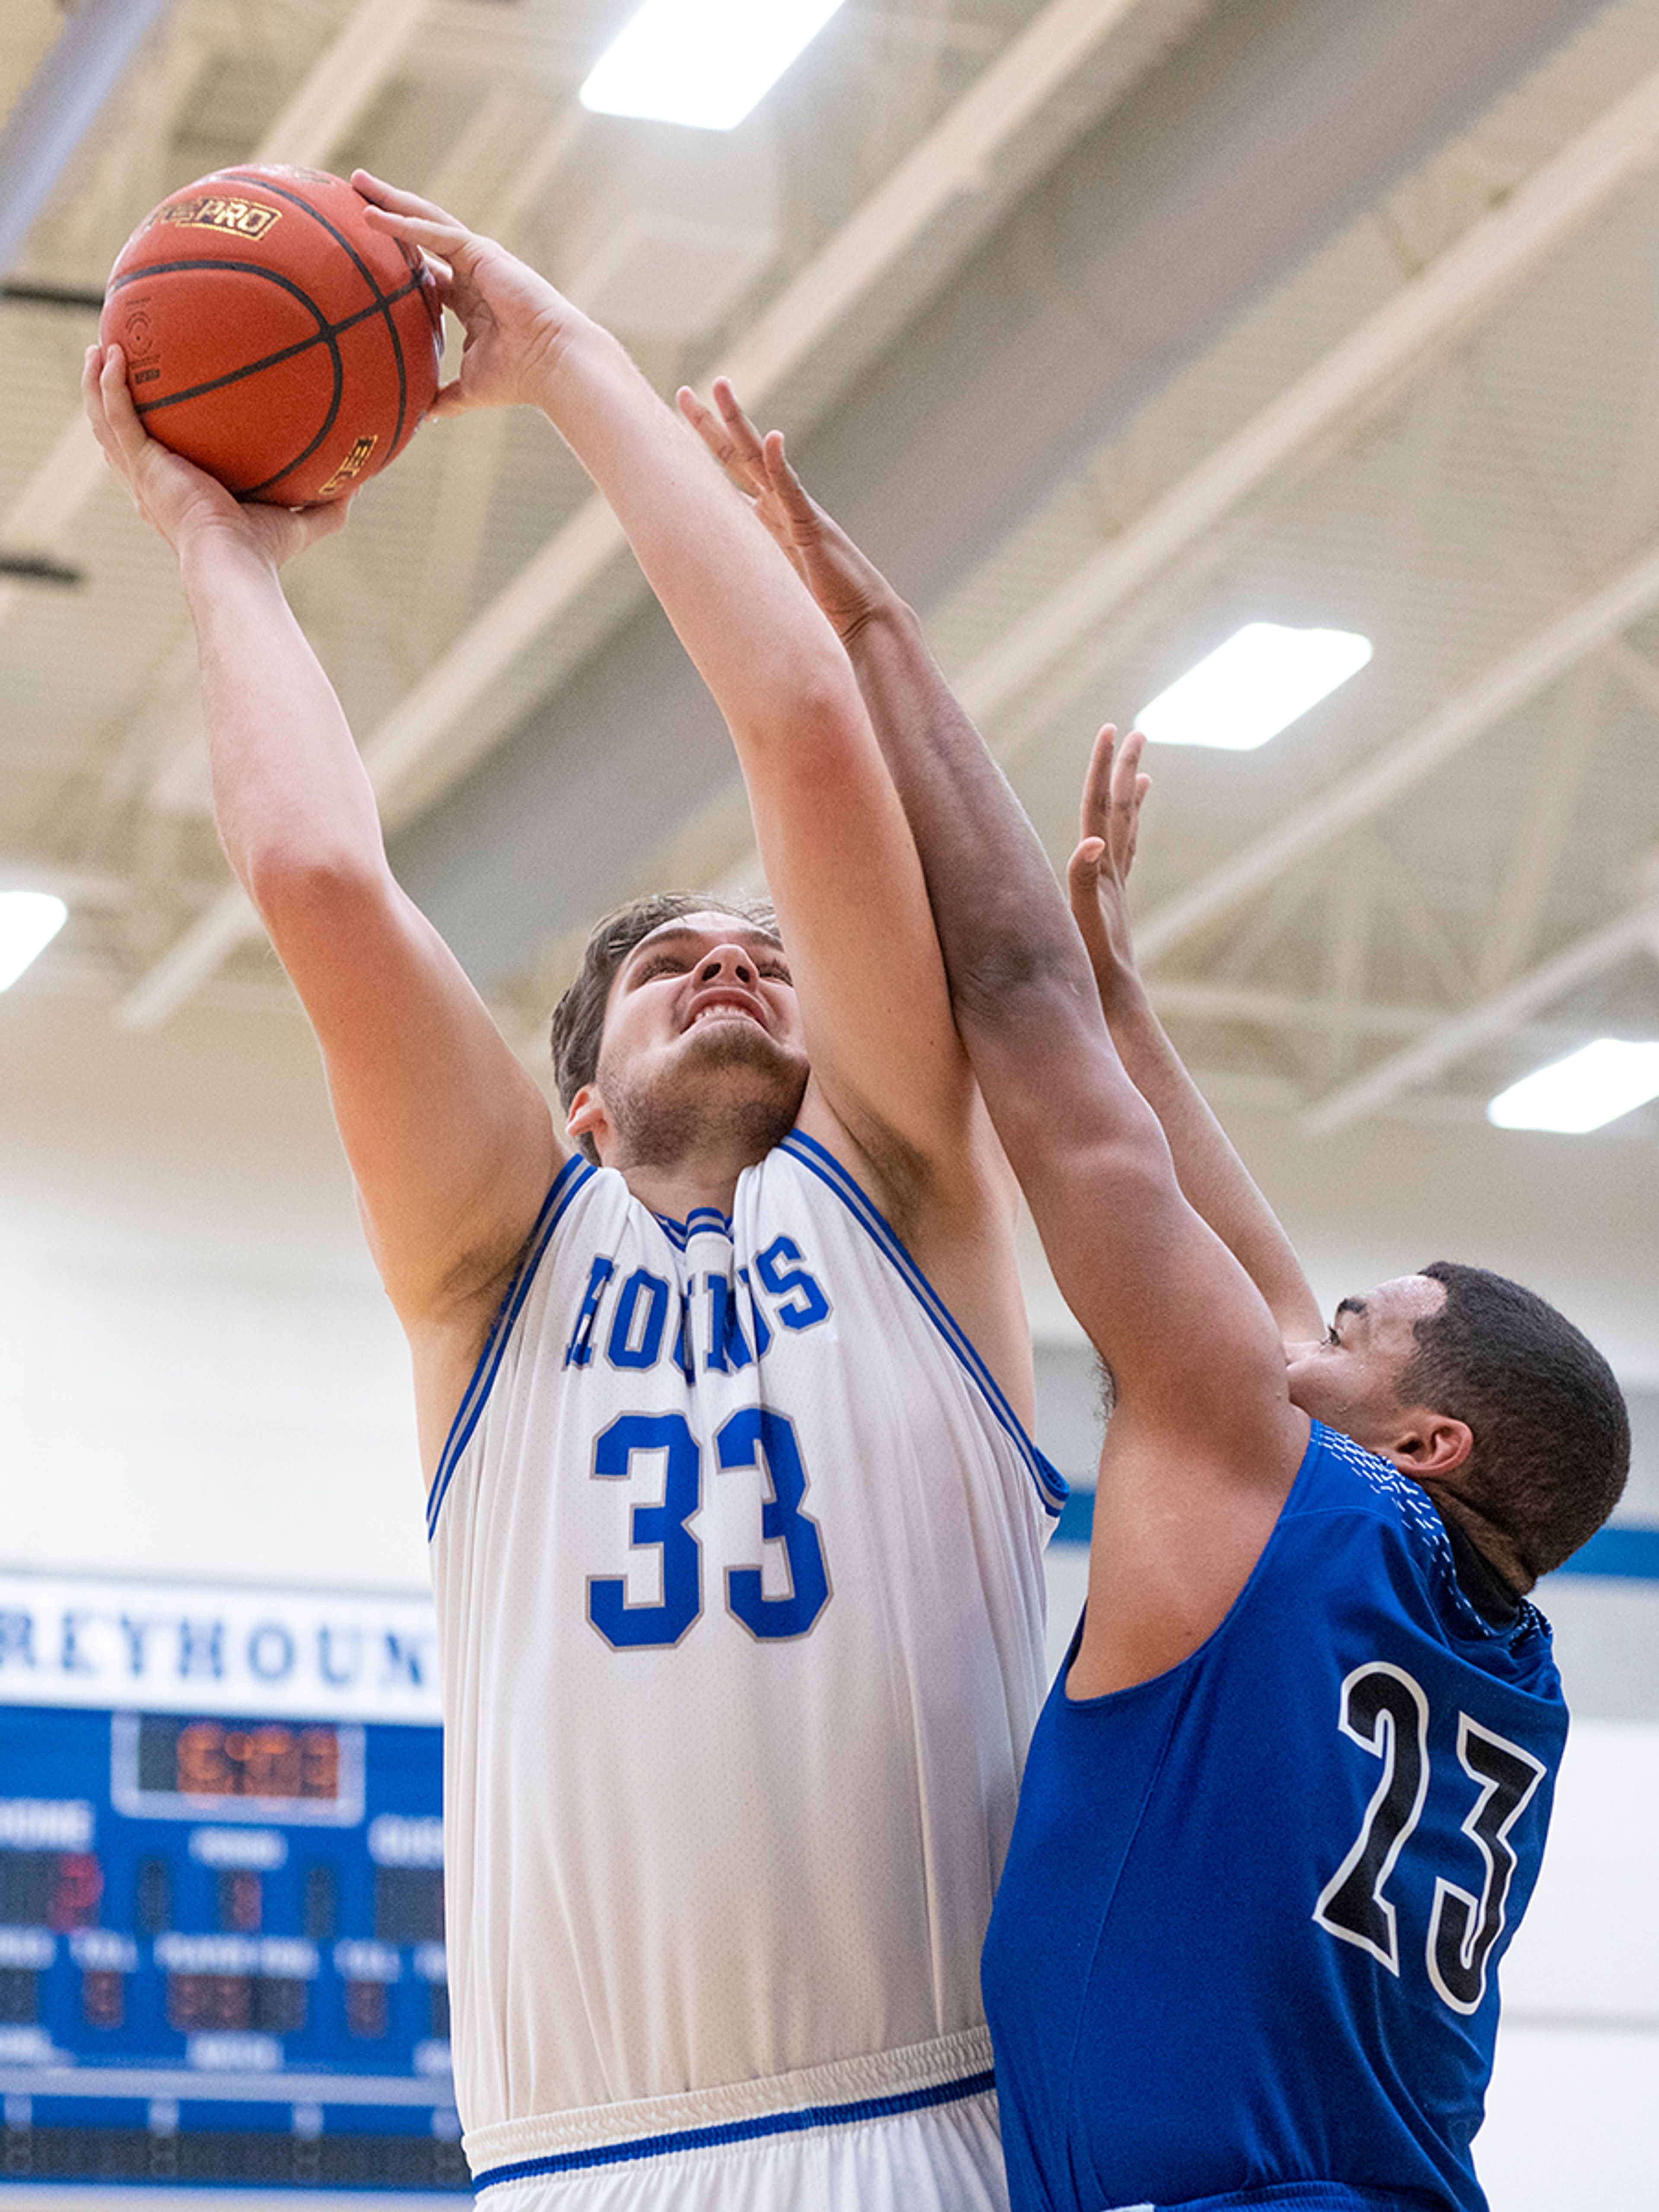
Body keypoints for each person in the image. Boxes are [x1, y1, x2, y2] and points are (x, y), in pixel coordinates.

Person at [83, 178, 1065, 2210]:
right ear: (582, 1110)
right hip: (574, 2161)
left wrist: (557, 359)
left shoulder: (908, 1200)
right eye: (665, 962)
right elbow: (320, 881)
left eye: (768, 953)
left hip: (935, 2126)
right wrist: (211, 543)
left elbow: (807, 733)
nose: (733, 958)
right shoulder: (492, 1269)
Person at [682, 384, 1630, 2212]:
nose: (1304, 1333)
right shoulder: (1501, 1659)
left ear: (1425, 1436)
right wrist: (1137, 1002)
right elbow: (1261, 1288)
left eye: (1354, 1333)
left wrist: (877, 634)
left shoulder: (1280, 1479)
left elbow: (1011, 995)